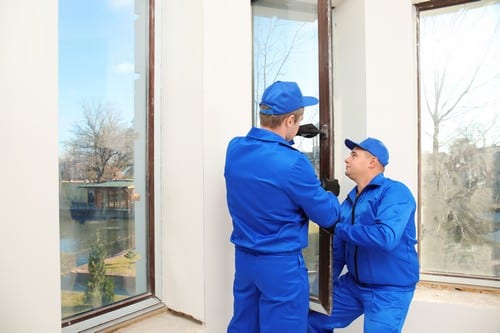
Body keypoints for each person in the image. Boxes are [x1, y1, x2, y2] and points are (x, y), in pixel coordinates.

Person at [224, 81, 341, 333]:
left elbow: (264, 160)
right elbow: (328, 215)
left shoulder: (234, 149)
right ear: (289, 120)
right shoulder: (294, 164)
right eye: (296, 121)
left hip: (245, 261)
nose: (298, 125)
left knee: (244, 326)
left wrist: (289, 134)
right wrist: (329, 193)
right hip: (280, 267)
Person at [308, 137, 419, 333]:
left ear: (372, 162)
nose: (346, 160)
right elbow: (338, 249)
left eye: (353, 155)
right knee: (312, 320)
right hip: (354, 285)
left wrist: (339, 228)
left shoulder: (395, 193)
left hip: (389, 290)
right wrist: (324, 287)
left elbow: (386, 237)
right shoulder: (351, 200)